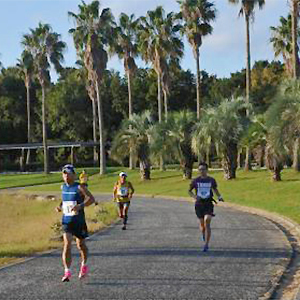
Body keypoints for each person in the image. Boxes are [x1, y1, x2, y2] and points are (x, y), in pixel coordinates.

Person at [55, 164, 95, 282]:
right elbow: (64, 200)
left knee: (80, 245)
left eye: (68, 173)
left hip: (79, 221)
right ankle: (67, 271)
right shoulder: (63, 187)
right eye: (64, 173)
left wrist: (80, 206)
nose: (66, 176)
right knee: (67, 244)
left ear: (74, 175)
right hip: (67, 221)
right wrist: (59, 206)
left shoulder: (79, 187)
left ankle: (84, 265)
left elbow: (91, 199)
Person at [188, 162, 224, 252]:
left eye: (203, 169)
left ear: (207, 170)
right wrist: (194, 197)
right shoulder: (195, 180)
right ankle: (203, 233)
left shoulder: (211, 180)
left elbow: (215, 189)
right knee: (202, 225)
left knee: (207, 220)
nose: (202, 171)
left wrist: (219, 197)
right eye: (200, 169)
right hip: (199, 204)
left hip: (208, 203)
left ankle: (206, 244)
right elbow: (189, 191)